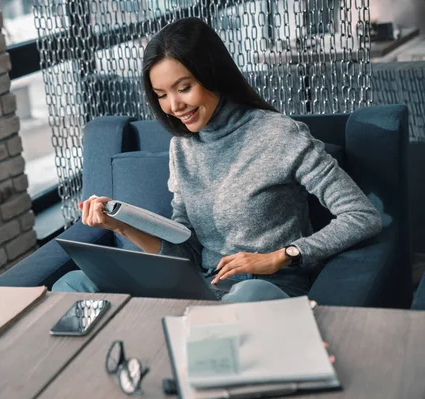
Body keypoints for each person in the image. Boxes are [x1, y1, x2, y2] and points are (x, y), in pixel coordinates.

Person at [52, 17, 382, 302]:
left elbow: (362, 215)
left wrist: (283, 256)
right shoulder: (181, 147)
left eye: (184, 88)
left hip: (265, 287)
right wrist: (121, 225)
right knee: (72, 285)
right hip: (199, 284)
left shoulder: (280, 135)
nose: (174, 106)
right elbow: (185, 249)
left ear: (213, 75)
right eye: (162, 95)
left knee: (246, 297)